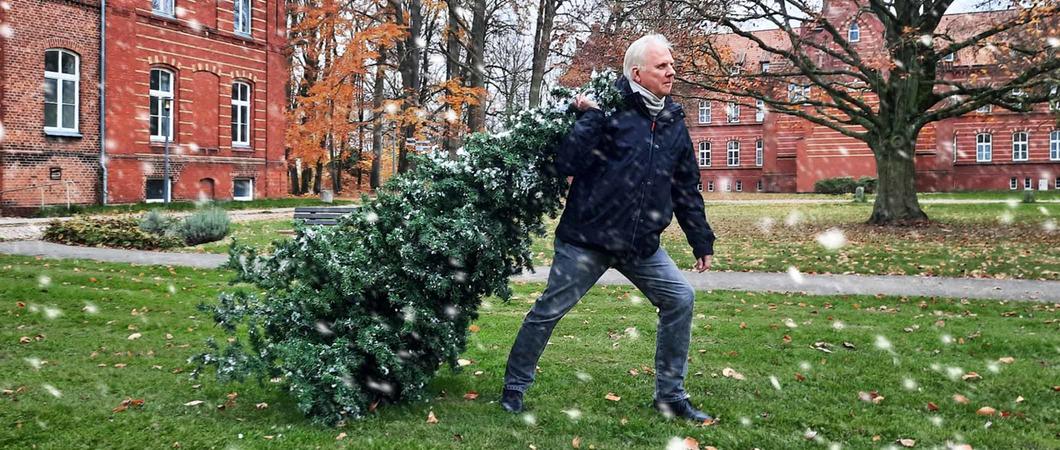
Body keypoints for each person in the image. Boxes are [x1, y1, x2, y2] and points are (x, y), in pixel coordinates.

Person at [499, 34, 717, 423]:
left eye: (670, 64)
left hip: (640, 245)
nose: (671, 71)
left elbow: (685, 187)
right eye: (661, 66)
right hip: (588, 240)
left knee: (680, 298)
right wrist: (592, 116)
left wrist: (700, 238)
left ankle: (670, 396)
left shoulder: (671, 121)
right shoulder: (605, 106)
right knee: (548, 310)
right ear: (637, 73)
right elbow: (568, 161)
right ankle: (514, 387)